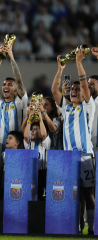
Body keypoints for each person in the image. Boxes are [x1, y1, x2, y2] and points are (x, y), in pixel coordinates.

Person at [51, 48, 95, 235]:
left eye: (78, 90)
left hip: (85, 156)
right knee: (73, 194)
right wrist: (60, 71)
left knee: (88, 193)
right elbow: (54, 90)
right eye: (73, 89)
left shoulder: (88, 106)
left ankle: (92, 228)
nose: (75, 91)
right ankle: (76, 227)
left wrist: (78, 62)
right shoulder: (66, 107)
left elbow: (85, 87)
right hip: (69, 158)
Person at [0, 44, 27, 199]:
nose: (5, 86)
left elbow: (18, 78)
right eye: (4, 84)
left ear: (15, 89)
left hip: (17, 144)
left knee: (15, 178)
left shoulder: (21, 102)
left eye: (9, 85)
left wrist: (11, 56)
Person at [23, 110, 51, 200]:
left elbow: (43, 134)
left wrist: (40, 117)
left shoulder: (45, 142)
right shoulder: (29, 143)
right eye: (32, 129)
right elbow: (26, 136)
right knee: (32, 196)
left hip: (43, 172)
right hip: (31, 172)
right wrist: (29, 120)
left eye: (35, 129)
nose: (32, 131)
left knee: (41, 196)